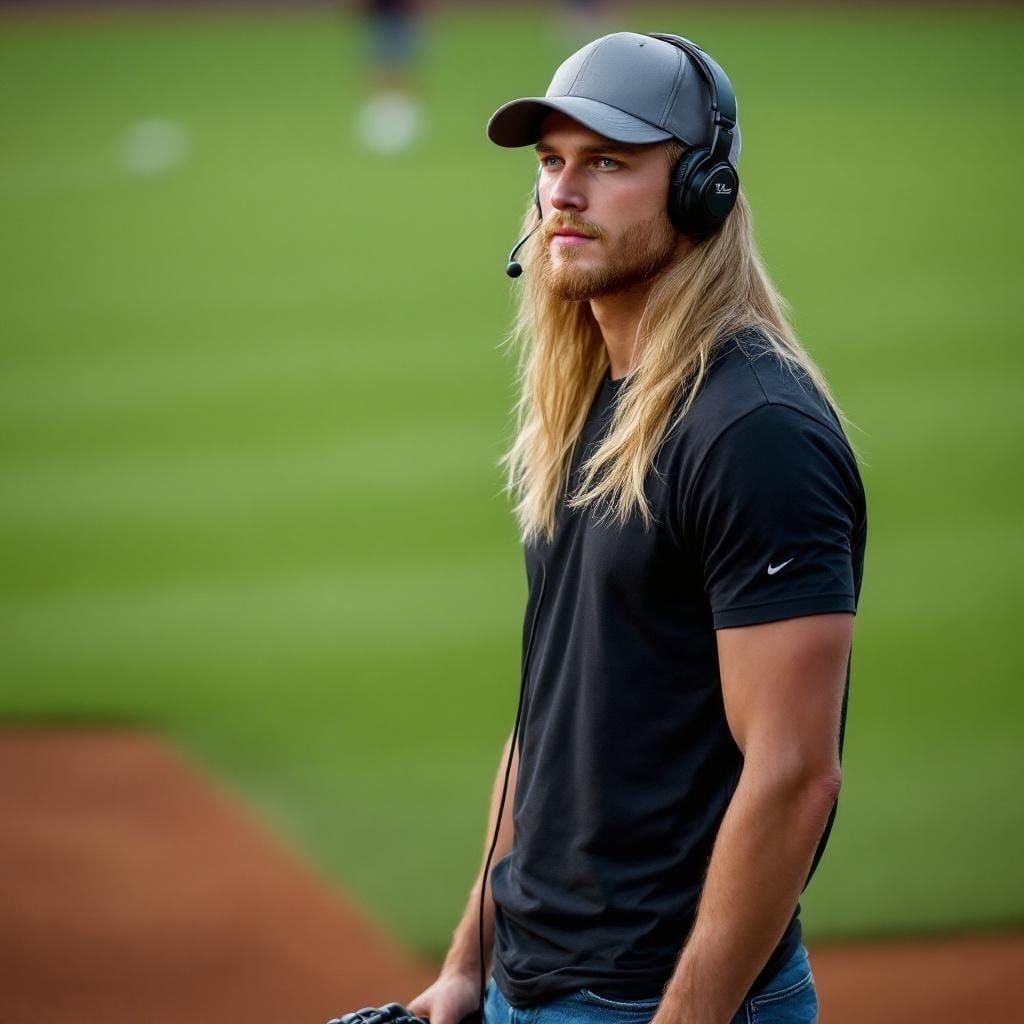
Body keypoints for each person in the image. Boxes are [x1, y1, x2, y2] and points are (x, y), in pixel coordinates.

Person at [407, 31, 866, 1024]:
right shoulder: (593, 404)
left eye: (608, 161)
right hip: (526, 984)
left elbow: (792, 773)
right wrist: (465, 962)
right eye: (550, 163)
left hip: (651, 1000)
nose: (562, 193)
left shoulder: (754, 431)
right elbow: (550, 716)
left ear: (701, 189)